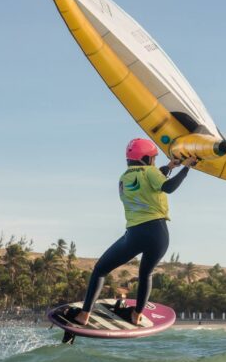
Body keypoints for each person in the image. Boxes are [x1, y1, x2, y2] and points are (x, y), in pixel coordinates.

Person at [65, 138, 197, 329]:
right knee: (146, 274)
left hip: (135, 234)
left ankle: (84, 315)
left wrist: (169, 166)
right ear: (145, 159)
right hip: (158, 234)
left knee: (100, 270)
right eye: (152, 158)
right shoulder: (151, 172)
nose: (153, 161)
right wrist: (186, 168)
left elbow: (150, 179)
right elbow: (165, 186)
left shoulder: (124, 179)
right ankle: (136, 315)